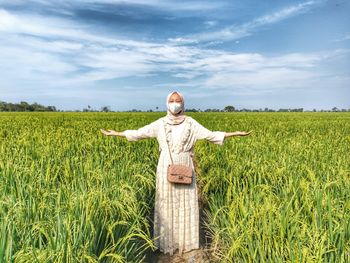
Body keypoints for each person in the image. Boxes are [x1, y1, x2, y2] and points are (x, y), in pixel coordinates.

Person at [100, 91, 252, 256]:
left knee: (186, 202)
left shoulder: (191, 123)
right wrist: (116, 133)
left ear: (183, 103)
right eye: (172, 100)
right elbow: (139, 133)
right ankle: (167, 242)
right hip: (166, 165)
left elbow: (211, 135)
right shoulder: (160, 124)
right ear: (167, 103)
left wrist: (234, 133)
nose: (174, 103)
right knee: (166, 202)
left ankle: (186, 243)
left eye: (177, 100)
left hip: (186, 164)